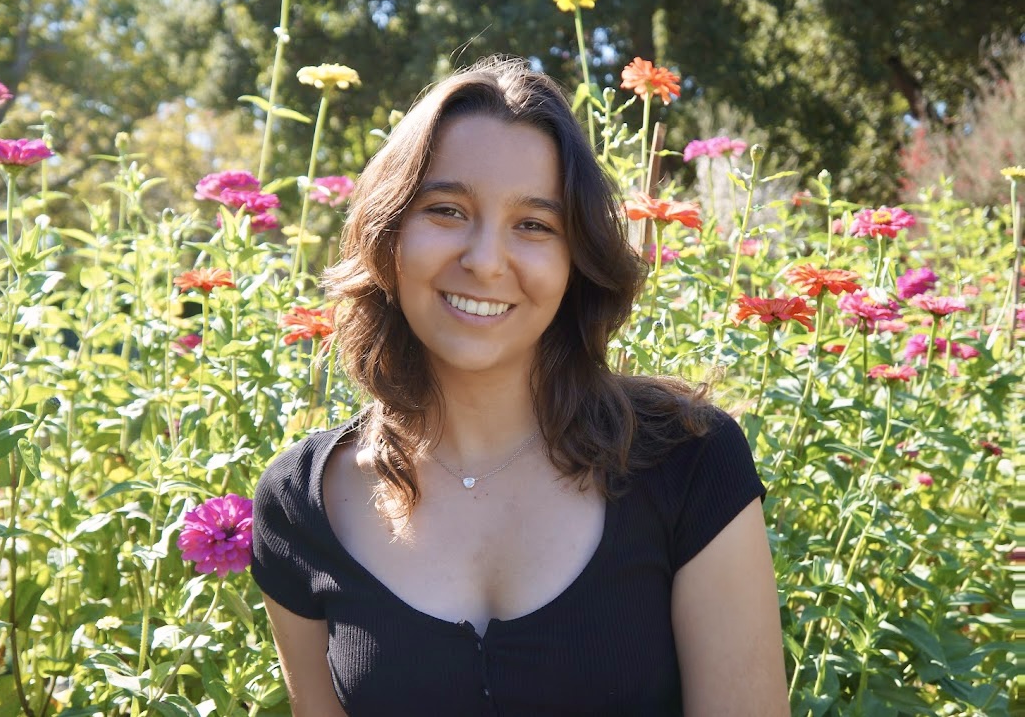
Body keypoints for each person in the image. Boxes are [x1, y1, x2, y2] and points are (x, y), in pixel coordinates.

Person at [251, 57, 789, 716]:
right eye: (447, 209)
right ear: (388, 233)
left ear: (576, 259)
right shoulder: (300, 503)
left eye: (534, 224)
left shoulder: (689, 461)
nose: (484, 260)